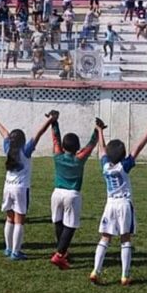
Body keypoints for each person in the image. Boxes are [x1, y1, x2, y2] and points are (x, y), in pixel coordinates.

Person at [90, 123, 147, 286]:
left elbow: (102, 149)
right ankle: (125, 275)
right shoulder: (123, 167)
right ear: (122, 155)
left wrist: (99, 131)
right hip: (124, 204)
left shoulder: (105, 167)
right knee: (125, 239)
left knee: (105, 238)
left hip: (110, 204)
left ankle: (95, 271)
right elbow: (137, 149)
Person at [0, 115, 51, 261]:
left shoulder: (7, 148)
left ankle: (8, 248)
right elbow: (39, 133)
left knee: (9, 218)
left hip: (7, 187)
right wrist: (49, 120)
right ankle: (16, 252)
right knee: (19, 220)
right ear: (23, 141)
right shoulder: (26, 150)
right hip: (21, 188)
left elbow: (4, 134)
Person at [47, 112, 102, 270]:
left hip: (56, 193)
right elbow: (91, 146)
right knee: (70, 226)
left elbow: (55, 138)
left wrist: (54, 122)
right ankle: (59, 254)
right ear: (77, 147)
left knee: (59, 222)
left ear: (64, 146)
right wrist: (97, 130)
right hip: (72, 194)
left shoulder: (57, 155)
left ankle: (62, 252)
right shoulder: (79, 159)